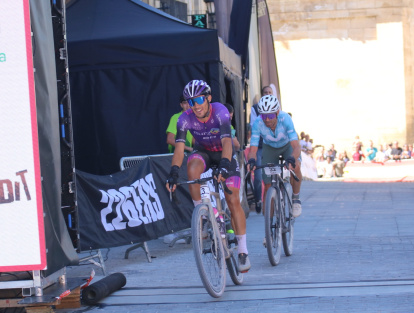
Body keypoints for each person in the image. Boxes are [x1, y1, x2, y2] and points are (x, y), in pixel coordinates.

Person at [166, 79, 251, 273]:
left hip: (224, 153)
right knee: (192, 167)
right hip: (203, 152)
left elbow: (228, 143)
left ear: (208, 98)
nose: (195, 106)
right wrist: (173, 172)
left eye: (199, 100)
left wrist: (224, 165)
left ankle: (243, 251)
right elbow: (179, 149)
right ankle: (202, 216)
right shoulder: (184, 118)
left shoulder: (220, 111)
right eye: (190, 101)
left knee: (232, 199)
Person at [247, 95, 303, 220]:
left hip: (287, 146)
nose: (267, 119)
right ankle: (269, 231)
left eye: (270, 116)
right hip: (270, 148)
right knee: (267, 187)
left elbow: (297, 147)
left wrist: (292, 159)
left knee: (296, 166)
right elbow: (253, 149)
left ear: (277, 112)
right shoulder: (258, 123)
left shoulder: (286, 119)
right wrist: (251, 160)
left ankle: (295, 198)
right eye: (263, 115)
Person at [249, 85, 273, 213]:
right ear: (262, 94)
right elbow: (254, 127)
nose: (268, 94)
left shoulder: (277, 108)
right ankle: (258, 199)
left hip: (273, 145)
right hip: (259, 146)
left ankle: (274, 199)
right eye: (265, 92)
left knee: (273, 173)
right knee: (258, 176)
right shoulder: (255, 108)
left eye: (270, 92)